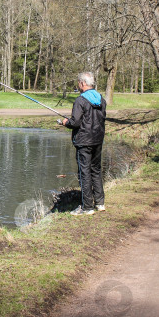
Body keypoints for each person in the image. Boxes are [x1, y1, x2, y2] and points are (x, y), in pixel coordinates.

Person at [58, 72, 106, 216]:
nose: (78, 85)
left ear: (82, 83)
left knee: (84, 172)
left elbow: (75, 122)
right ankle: (100, 203)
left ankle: (87, 207)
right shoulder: (101, 99)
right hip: (98, 140)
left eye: (79, 83)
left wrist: (66, 122)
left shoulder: (80, 100)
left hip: (84, 141)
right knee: (96, 170)